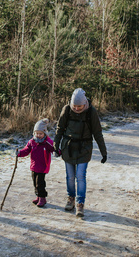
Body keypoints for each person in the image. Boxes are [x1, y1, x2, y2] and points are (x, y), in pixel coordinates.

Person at [53, 88, 107, 217]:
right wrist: (56, 145)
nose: (76, 108)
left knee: (80, 176)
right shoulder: (66, 109)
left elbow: (97, 133)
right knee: (70, 177)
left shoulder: (91, 112)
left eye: (79, 106)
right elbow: (60, 128)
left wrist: (103, 152)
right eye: (74, 106)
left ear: (85, 104)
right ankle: (70, 198)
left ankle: (80, 203)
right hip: (68, 148)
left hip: (84, 148)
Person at [16, 118, 55, 207]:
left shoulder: (47, 142)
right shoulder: (32, 142)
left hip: (43, 167)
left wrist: (58, 152)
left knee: (40, 183)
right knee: (35, 182)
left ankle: (42, 198)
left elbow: (54, 148)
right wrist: (19, 153)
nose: (38, 135)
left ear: (45, 133)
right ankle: (38, 196)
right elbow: (26, 150)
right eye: (36, 133)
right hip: (34, 166)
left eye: (40, 133)